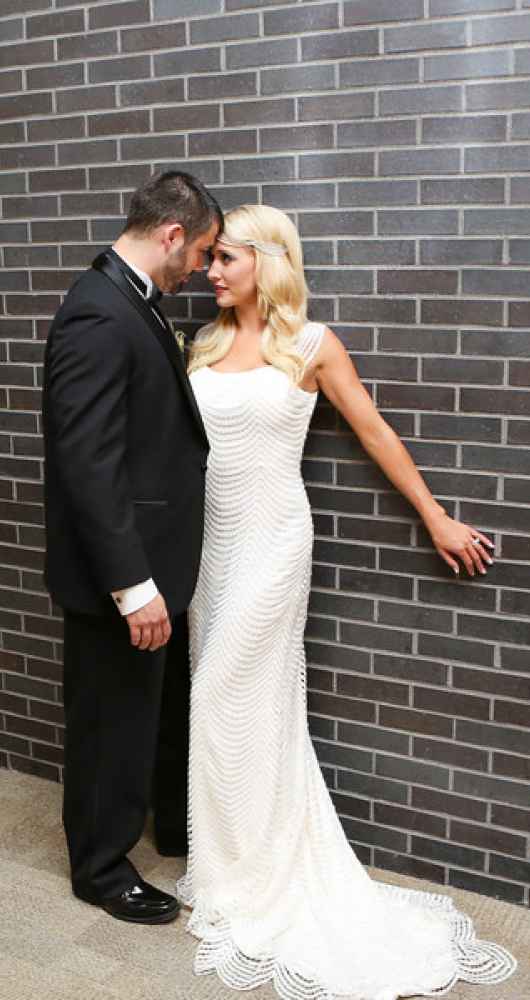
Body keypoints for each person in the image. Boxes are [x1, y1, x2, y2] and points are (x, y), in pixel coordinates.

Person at [177, 204, 516, 997]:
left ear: (268, 260)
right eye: (211, 258)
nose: (212, 271)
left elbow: (373, 432)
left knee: (227, 693)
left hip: (275, 543)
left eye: (226, 258)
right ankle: (230, 868)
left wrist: (435, 516)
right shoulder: (206, 344)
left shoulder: (313, 344)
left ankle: (261, 878)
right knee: (230, 704)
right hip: (210, 549)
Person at [42, 171, 222, 924]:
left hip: (152, 566)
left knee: (135, 717)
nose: (206, 270)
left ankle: (138, 832)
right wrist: (133, 585)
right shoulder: (98, 313)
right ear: (172, 235)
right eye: (203, 253)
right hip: (120, 577)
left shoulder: (134, 303)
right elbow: (87, 462)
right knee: (107, 724)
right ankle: (99, 868)